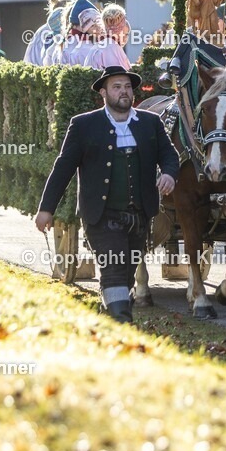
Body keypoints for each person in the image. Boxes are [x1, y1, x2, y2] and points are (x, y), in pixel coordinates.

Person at [35, 66, 179, 323]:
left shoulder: (150, 123)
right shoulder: (83, 125)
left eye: (127, 87)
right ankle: (123, 326)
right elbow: (63, 167)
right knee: (113, 268)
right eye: (116, 87)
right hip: (100, 216)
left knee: (125, 274)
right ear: (103, 93)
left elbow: (170, 155)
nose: (123, 92)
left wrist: (168, 173)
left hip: (140, 216)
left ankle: (109, 318)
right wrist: (46, 208)